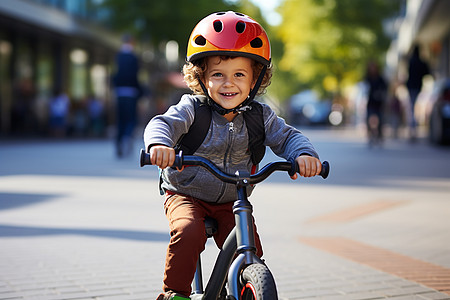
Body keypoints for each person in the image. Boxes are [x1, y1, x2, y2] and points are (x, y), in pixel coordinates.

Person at [143, 11, 322, 300]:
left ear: (255, 80)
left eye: (239, 74)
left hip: (232, 199)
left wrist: (303, 154)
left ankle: (242, 284)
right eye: (218, 75)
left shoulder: (259, 116)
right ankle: (174, 293)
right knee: (189, 232)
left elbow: (289, 136)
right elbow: (162, 124)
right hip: (185, 192)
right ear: (201, 77)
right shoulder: (192, 109)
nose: (229, 83)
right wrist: (160, 146)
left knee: (249, 245)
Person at [112, 34, 142, 157]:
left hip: (119, 92)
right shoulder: (134, 57)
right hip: (131, 92)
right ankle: (127, 137)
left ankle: (119, 141)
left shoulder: (118, 56)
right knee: (130, 119)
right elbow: (135, 76)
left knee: (120, 119)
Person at [406, 45, 430, 141]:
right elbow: (427, 72)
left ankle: (413, 129)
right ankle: (413, 129)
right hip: (417, 87)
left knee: (412, 108)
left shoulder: (411, 61)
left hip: (412, 87)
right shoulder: (420, 62)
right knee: (414, 109)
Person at [365, 61, 387, 147]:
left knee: (380, 120)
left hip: (379, 103)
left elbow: (385, 89)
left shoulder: (380, 79)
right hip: (370, 102)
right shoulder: (368, 78)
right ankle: (370, 136)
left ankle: (379, 136)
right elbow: (364, 89)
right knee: (369, 119)